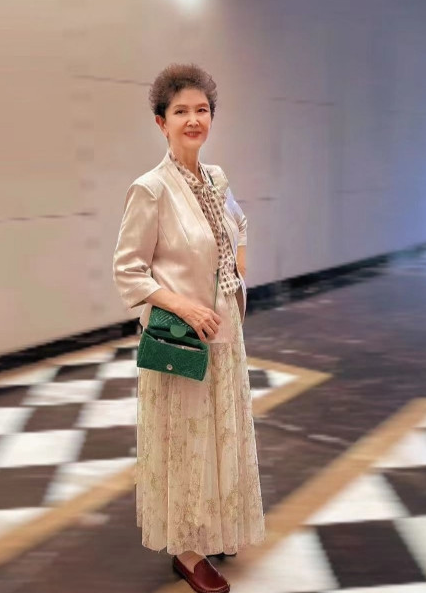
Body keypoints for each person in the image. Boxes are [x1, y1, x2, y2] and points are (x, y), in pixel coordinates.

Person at [112, 63, 266, 593]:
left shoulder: (216, 179)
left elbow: (239, 225)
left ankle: (213, 524)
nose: (194, 119)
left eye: (202, 110)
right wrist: (185, 306)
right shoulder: (151, 189)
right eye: (181, 111)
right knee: (186, 442)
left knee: (219, 435)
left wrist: (234, 279)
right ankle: (186, 549)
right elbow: (128, 270)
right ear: (161, 122)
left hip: (225, 334)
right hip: (182, 339)